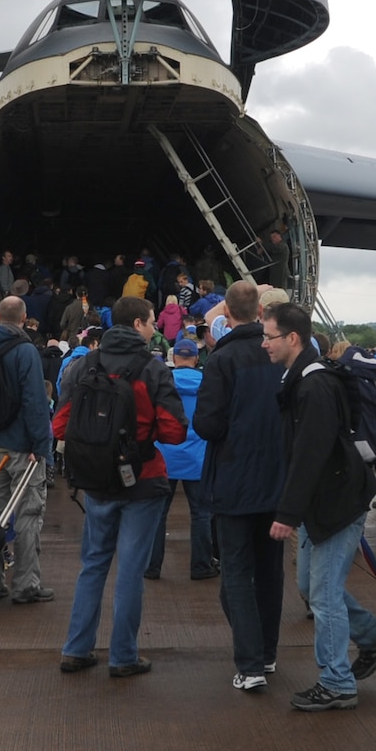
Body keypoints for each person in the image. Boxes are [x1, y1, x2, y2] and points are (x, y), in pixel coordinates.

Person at [266, 302, 376, 711]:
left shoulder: (313, 386)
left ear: (292, 338)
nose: (263, 344)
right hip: (324, 502)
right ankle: (373, 634)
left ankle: (337, 682)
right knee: (312, 588)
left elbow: (311, 454)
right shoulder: (302, 378)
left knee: (322, 596)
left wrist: (287, 514)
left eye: (269, 337)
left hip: (337, 503)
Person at [55, 296, 188, 677]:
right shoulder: (153, 368)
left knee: (93, 565)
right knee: (130, 570)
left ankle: (76, 649)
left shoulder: (82, 365)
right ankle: (123, 656)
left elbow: (60, 426)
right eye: (151, 323)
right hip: (141, 480)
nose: (154, 329)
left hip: (96, 482)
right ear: (138, 325)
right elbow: (176, 431)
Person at [195, 279, 287, 691]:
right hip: (275, 477)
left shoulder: (223, 359)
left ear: (227, 313)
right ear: (263, 312)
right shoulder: (281, 356)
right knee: (270, 569)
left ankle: (249, 663)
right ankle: (266, 655)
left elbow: (208, 424)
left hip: (233, 479)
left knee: (236, 572)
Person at [0, 296, 57, 605]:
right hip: (22, 447)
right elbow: (35, 401)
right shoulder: (25, 350)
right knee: (29, 514)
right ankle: (26, 585)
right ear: (24, 318)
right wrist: (41, 446)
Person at [147, 338, 215, 581]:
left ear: (174, 358)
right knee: (201, 513)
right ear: (196, 358)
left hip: (165, 455)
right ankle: (201, 566)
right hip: (198, 457)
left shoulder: (162, 383)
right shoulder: (208, 383)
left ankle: (152, 566)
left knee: (157, 514)